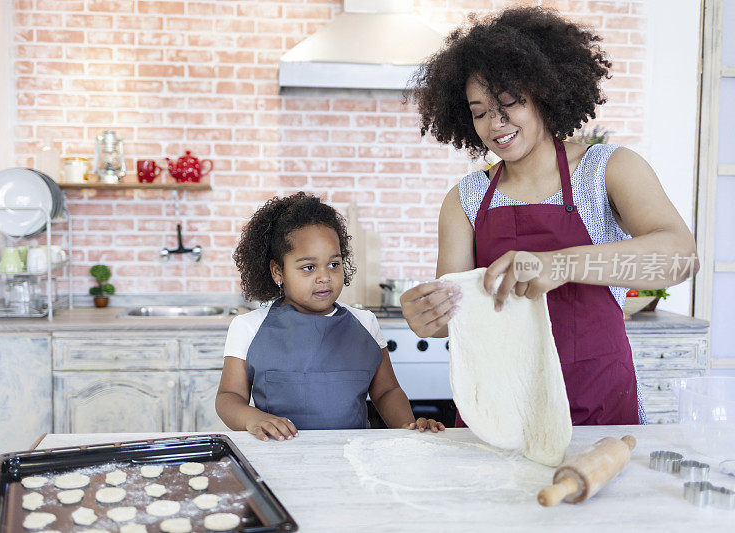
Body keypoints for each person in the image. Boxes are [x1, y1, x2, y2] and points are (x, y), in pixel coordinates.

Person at [400, 7, 698, 426]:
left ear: (545, 91)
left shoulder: (607, 169)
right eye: (479, 111)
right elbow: (458, 316)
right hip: (501, 414)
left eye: (508, 103)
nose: (494, 125)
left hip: (598, 410)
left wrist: (559, 263)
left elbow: (681, 258)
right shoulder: (465, 199)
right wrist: (428, 319)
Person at [216, 192, 445, 441]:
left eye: (334, 264)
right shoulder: (248, 327)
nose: (324, 276)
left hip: (353, 458)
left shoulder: (365, 324)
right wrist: (252, 418)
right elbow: (229, 397)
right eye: (308, 267)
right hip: (278, 455)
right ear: (277, 271)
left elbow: (387, 391)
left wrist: (408, 426)